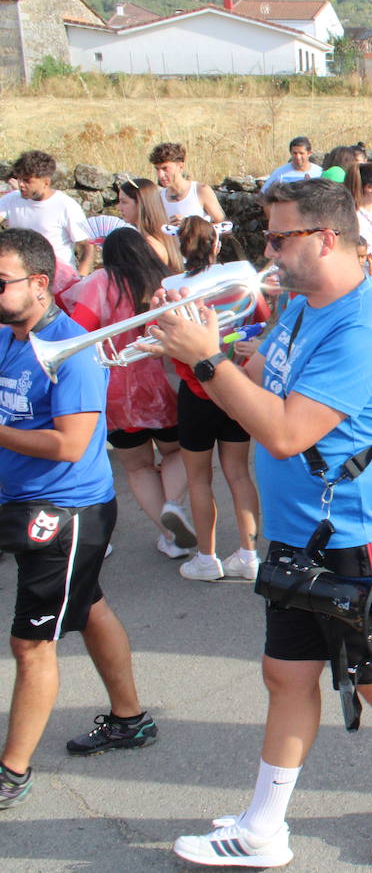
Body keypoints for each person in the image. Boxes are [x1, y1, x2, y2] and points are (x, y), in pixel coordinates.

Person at [153, 179, 372, 866]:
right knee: (286, 676)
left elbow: (287, 432)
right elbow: (262, 376)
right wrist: (200, 347)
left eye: (277, 239)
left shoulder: (363, 326)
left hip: (355, 535)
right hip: (301, 531)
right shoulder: (302, 306)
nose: (266, 254)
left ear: (325, 238)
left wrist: (202, 360)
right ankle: (264, 828)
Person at [0, 228, 157, 811]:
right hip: (21, 501)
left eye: (0, 282)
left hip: (66, 511)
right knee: (87, 604)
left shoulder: (72, 348)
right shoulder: (10, 337)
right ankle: (129, 718)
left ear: (39, 285)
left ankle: (11, 773)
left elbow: (71, 444)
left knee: (30, 645)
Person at [65, 228, 194, 560]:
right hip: (165, 384)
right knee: (176, 452)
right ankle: (173, 504)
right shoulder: (164, 279)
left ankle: (169, 536)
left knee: (137, 467)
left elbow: (79, 332)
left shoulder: (99, 282)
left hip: (115, 391)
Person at [165, 217, 265, 583]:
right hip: (235, 384)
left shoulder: (170, 288)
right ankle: (250, 554)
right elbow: (264, 319)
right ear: (217, 246)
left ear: (181, 248)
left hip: (196, 391)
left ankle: (206, 559)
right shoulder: (242, 275)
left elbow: (170, 346)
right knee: (239, 473)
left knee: (198, 479)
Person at [0, 150, 92, 283]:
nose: (20, 184)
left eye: (27, 181)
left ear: (46, 183)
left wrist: (81, 279)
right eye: (19, 178)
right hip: (20, 279)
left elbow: (88, 246)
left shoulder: (66, 206)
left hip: (57, 281)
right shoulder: (11, 199)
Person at [149, 142, 225, 225]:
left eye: (165, 168)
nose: (160, 175)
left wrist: (190, 225)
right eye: (157, 169)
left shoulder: (200, 191)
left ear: (181, 167)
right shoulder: (159, 197)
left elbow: (224, 227)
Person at [115, 177, 181, 270]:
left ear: (140, 204)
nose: (119, 207)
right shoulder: (147, 239)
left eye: (124, 202)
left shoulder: (150, 245)